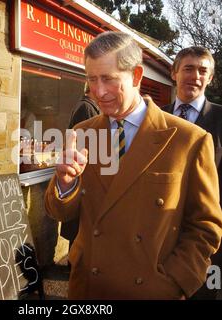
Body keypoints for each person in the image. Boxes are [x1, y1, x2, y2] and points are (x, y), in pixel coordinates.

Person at [45, 31, 222, 299]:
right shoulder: (82, 132)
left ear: (137, 76)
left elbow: (205, 226)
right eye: (92, 79)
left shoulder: (190, 139)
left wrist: (175, 282)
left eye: (109, 79)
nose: (99, 91)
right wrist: (64, 183)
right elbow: (59, 212)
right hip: (88, 288)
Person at [162, 46, 222, 299]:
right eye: (188, 68)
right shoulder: (154, 118)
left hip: (205, 240)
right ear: (174, 73)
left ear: (210, 79)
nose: (195, 76)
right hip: (159, 233)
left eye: (202, 71)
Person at [60, 83, 100, 252]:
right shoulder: (86, 108)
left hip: (84, 178)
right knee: (78, 236)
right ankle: (73, 269)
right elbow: (83, 147)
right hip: (82, 178)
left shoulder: (89, 106)